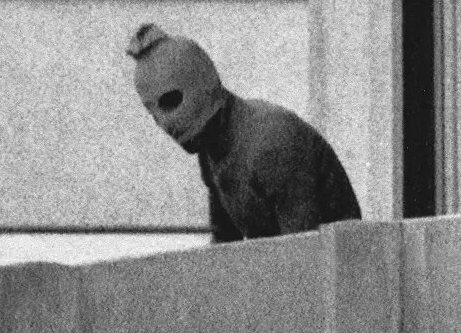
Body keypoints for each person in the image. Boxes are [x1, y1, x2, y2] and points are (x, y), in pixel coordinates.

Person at [125, 23, 361, 242]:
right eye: (152, 113)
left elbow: (302, 252)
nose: (166, 124)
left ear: (202, 83)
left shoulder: (272, 139)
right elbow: (224, 248)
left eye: (170, 101)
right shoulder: (211, 153)